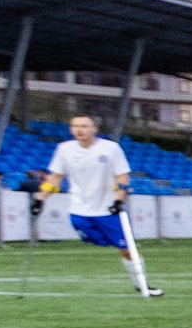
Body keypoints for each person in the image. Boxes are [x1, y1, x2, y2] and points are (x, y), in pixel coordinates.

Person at [45, 114, 158, 297]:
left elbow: (123, 177)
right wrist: (41, 198)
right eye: (75, 126)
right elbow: (55, 177)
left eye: (84, 126)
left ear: (94, 129)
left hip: (108, 209)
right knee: (93, 239)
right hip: (79, 209)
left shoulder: (111, 148)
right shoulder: (64, 149)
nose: (79, 130)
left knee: (127, 249)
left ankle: (142, 284)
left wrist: (119, 199)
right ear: (71, 130)